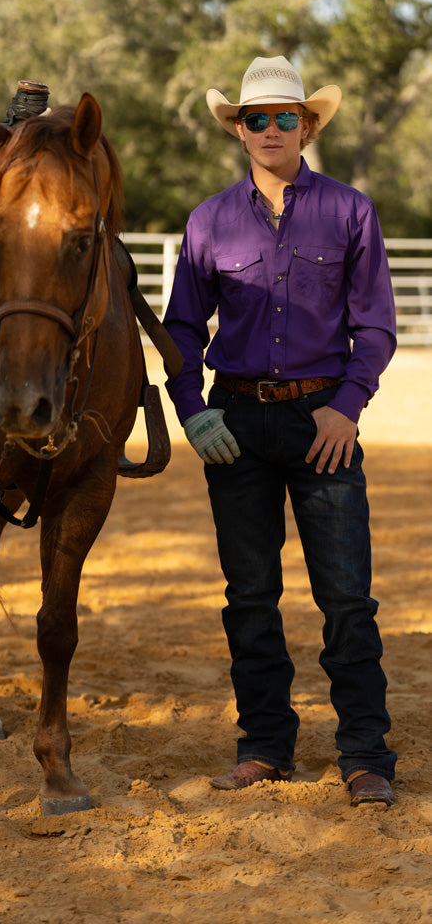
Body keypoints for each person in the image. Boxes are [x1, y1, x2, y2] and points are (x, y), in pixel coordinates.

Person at [163, 55, 397, 807]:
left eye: (284, 117)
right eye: (255, 118)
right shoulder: (209, 222)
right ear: (238, 128)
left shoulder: (350, 212)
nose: (269, 129)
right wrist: (190, 407)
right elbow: (180, 329)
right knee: (250, 596)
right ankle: (265, 745)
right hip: (233, 422)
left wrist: (347, 405)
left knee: (346, 599)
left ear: (308, 124)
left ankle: (365, 755)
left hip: (321, 418)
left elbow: (378, 327)